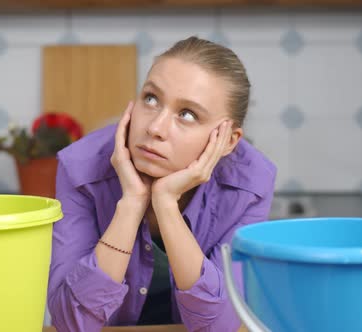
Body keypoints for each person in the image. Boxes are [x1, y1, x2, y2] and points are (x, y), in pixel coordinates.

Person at [47, 36, 277, 332]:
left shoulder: (250, 185)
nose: (155, 128)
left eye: (187, 115)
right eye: (151, 99)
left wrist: (166, 205)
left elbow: (219, 327)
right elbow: (71, 323)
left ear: (228, 141)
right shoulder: (81, 168)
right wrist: (131, 204)